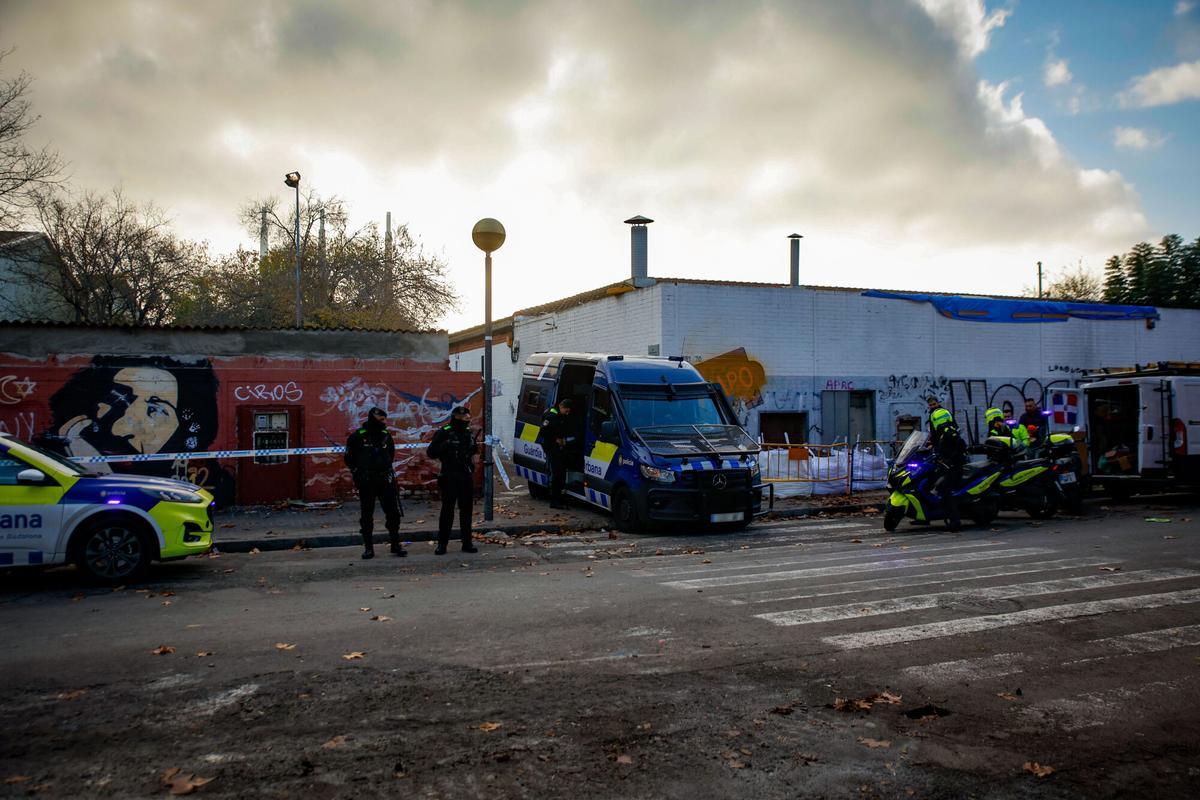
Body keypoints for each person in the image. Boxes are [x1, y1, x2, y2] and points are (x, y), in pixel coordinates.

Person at [345, 407, 405, 560]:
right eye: (381, 420)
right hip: (367, 479)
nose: (385, 423)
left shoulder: (385, 435)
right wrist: (358, 472)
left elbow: (390, 454)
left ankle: (395, 543)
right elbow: (349, 458)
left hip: (385, 478)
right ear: (373, 419)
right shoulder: (358, 436)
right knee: (367, 514)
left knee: (392, 513)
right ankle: (368, 547)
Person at [428, 406, 478, 555]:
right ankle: (442, 544)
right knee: (447, 510)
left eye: (468, 419)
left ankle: (467, 542)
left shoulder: (468, 433)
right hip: (449, 475)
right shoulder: (445, 432)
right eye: (464, 419)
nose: (467, 422)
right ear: (457, 418)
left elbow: (472, 451)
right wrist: (447, 445)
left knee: (466, 511)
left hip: (465, 475)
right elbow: (431, 452)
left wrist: (472, 452)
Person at [929, 407, 967, 532]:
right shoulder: (944, 432)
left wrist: (951, 459)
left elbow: (961, 446)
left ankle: (955, 521)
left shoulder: (949, 432)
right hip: (948, 467)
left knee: (945, 491)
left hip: (954, 468)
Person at [541, 397, 574, 509]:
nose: (567, 413)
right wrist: (555, 439)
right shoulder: (552, 416)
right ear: (562, 407)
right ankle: (554, 501)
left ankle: (559, 498)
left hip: (558, 448)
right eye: (567, 411)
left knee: (560, 473)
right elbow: (543, 432)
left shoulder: (559, 415)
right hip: (552, 448)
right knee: (556, 474)